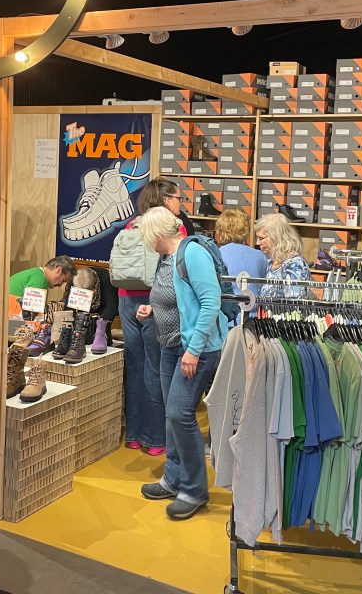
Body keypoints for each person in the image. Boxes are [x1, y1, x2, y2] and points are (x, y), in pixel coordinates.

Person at [136, 206, 227, 520]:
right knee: (171, 416)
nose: (146, 242)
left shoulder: (193, 254)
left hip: (195, 350)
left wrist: (194, 350)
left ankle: (193, 489)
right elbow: (177, 298)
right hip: (170, 346)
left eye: (147, 236)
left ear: (158, 234)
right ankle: (173, 479)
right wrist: (152, 309)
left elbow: (210, 302)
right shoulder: (166, 258)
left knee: (180, 413)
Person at [116, 178, 187, 457]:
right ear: (167, 200)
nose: (180, 204)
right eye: (179, 198)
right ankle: (156, 438)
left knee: (134, 366)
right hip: (155, 301)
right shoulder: (172, 228)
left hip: (126, 298)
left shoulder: (131, 225)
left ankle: (133, 435)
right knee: (156, 368)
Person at [214, 208, 268, 308]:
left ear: (220, 230)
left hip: (227, 313)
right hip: (254, 314)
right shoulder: (260, 255)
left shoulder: (216, 255)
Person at [255, 213, 310, 298]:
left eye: (261, 238)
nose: (257, 243)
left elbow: (293, 302)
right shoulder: (272, 262)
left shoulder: (295, 265)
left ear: (276, 237)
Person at [8, 256, 76, 315]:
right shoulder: (40, 281)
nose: (60, 285)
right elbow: (32, 316)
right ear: (58, 270)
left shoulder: (36, 273)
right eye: (63, 280)